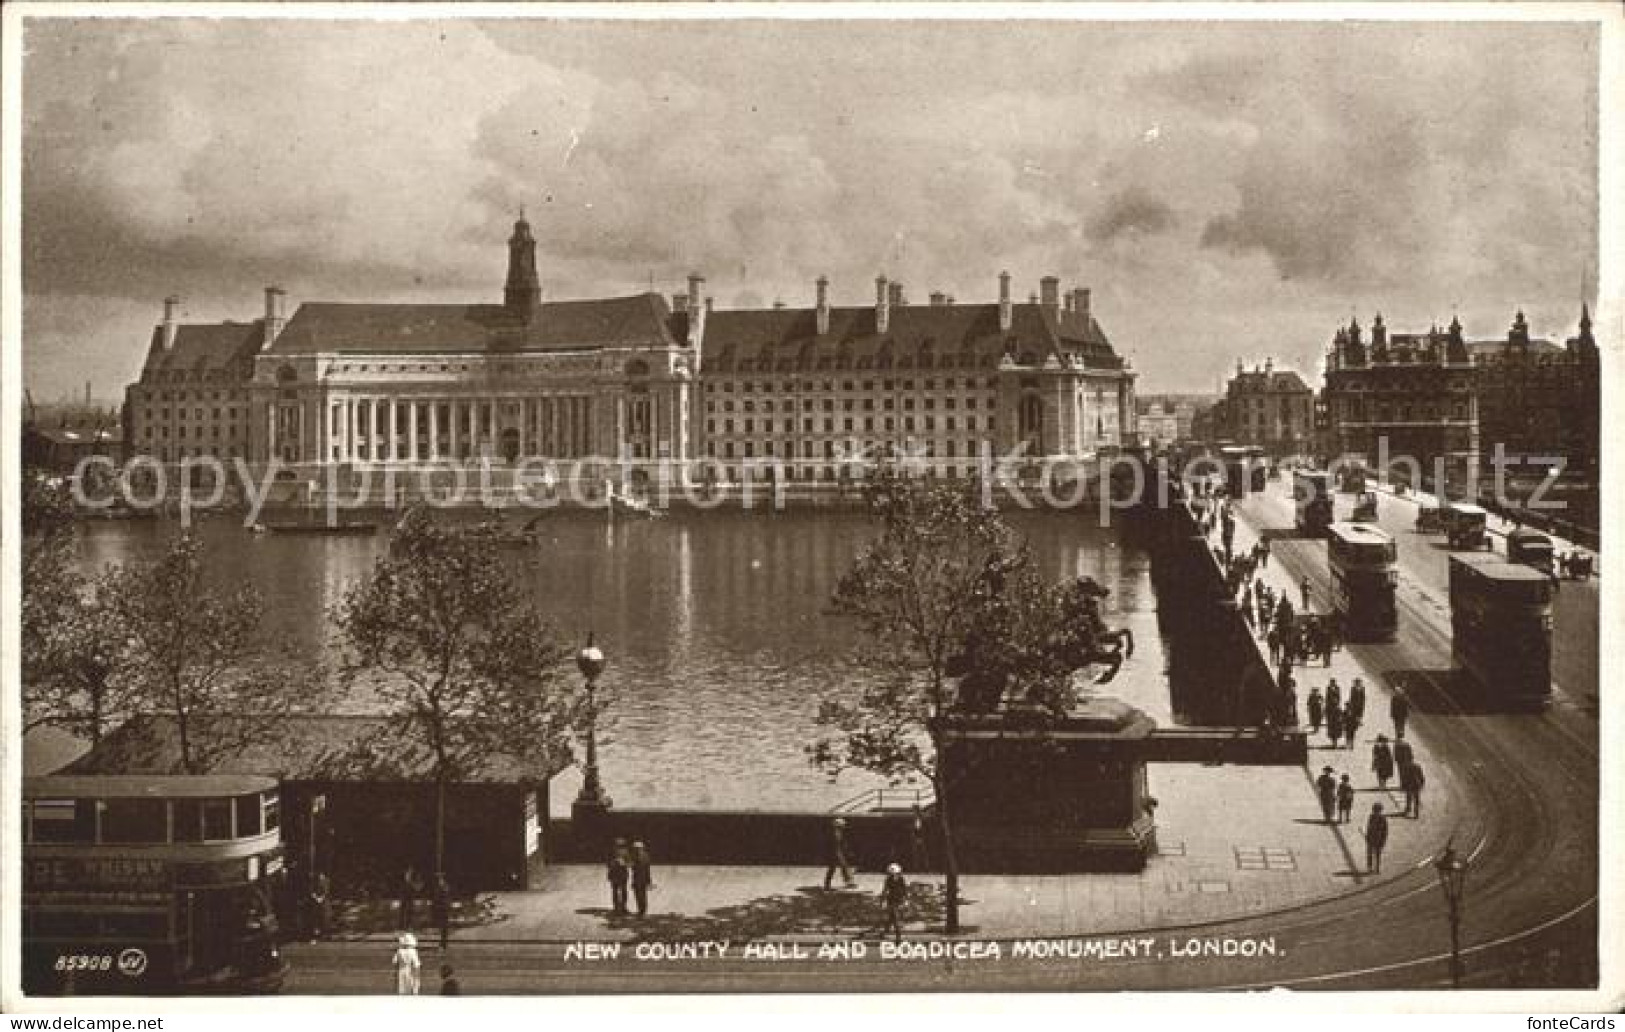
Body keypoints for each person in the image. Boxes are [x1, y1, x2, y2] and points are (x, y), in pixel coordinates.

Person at [880, 862, 909, 944]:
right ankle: (898, 937)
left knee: (891, 918)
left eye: (895, 874)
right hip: (891, 901)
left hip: (899, 900)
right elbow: (885, 890)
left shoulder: (901, 879)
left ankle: (885, 932)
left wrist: (906, 900)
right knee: (896, 919)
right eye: (891, 874)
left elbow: (904, 890)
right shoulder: (888, 880)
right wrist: (883, 901)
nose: (894, 875)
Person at [824, 817, 856, 890]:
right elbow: (830, 845)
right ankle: (827, 884)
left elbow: (843, 843)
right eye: (841, 826)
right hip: (834, 853)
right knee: (834, 868)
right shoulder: (832, 834)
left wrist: (847, 851)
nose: (843, 828)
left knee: (844, 867)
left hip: (839, 852)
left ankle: (849, 882)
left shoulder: (840, 833)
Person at [630, 840, 654, 917]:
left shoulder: (638, 856)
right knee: (642, 895)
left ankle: (641, 911)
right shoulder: (646, 855)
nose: (634, 850)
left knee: (639, 895)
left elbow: (636, 867)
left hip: (639, 878)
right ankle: (642, 910)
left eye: (635, 848)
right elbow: (647, 869)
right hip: (642, 878)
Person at [606, 839, 631, 915]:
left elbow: (630, 863)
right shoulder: (611, 853)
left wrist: (624, 863)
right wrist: (614, 863)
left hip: (623, 874)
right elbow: (607, 864)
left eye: (621, 846)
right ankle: (616, 907)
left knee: (623, 891)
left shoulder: (626, 852)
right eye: (618, 846)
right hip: (614, 874)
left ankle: (623, 907)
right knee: (615, 891)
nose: (619, 848)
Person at [1365, 803, 1389, 874]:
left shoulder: (1383, 819)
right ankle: (1370, 867)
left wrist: (1383, 840)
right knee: (1370, 853)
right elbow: (1369, 828)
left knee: (1378, 854)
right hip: (1371, 838)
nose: (1376, 813)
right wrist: (1368, 836)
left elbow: (1385, 831)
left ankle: (1377, 868)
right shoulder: (1371, 817)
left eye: (1378, 811)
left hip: (1379, 839)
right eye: (1375, 811)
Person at [399, 866, 421, 931]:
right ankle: (404, 927)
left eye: (408, 875)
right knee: (404, 914)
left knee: (409, 914)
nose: (407, 876)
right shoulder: (405, 884)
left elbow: (417, 890)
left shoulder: (411, 884)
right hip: (405, 902)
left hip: (409, 902)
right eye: (407, 875)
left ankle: (408, 926)